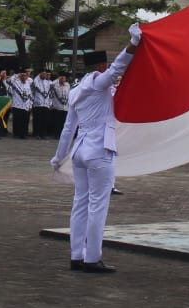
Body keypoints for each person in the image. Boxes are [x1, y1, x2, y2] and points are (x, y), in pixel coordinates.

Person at [51, 27, 141, 273]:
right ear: (100, 67)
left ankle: (76, 255)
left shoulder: (75, 91)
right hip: (99, 149)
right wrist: (133, 43)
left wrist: (59, 157)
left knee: (80, 203)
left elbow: (68, 129)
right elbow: (118, 69)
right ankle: (92, 258)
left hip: (79, 150)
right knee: (97, 205)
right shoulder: (98, 83)